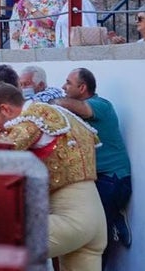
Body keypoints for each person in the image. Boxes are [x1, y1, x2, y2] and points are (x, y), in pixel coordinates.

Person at [0, 82, 106, 271]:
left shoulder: (31, 120)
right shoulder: (58, 113)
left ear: (5, 109)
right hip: (95, 217)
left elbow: (0, 154)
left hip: (70, 220)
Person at [56, 68, 133, 260]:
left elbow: (81, 109)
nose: (64, 87)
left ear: (82, 88)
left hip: (113, 179)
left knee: (96, 235)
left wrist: (52, 103)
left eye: (68, 83)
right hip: (99, 178)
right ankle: (114, 219)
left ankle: (113, 219)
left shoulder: (100, 105)